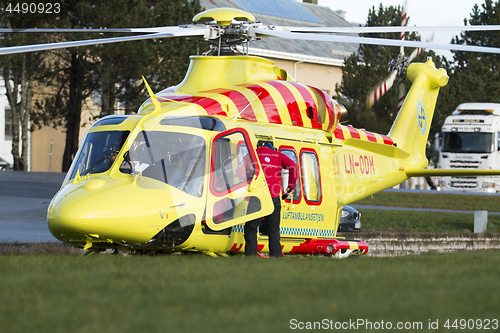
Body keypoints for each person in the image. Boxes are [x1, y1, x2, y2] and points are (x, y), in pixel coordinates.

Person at [244, 141, 297, 257]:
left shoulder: (253, 154)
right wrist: (290, 186)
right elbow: (293, 166)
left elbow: (240, 171)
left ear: (259, 147)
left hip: (257, 197)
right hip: (274, 197)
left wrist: (246, 182)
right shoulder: (278, 155)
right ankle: (276, 256)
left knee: (251, 228)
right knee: (273, 229)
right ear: (273, 147)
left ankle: (250, 256)